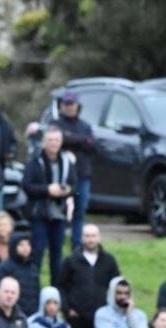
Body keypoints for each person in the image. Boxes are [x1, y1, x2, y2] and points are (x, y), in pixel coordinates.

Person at [56, 224, 121, 328]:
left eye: (93, 236)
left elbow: (117, 285)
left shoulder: (108, 260)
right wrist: (67, 309)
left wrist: (111, 309)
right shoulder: (71, 260)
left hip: (100, 316)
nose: (90, 239)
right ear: (81, 238)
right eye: (87, 236)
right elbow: (60, 286)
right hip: (76, 316)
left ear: (99, 238)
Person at [22, 126, 77, 282]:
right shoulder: (35, 160)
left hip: (59, 214)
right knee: (37, 252)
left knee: (57, 254)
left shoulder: (67, 161)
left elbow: (76, 188)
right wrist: (46, 190)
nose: (54, 143)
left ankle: (55, 292)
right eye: (51, 140)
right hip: (39, 213)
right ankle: (33, 289)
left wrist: (68, 190)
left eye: (57, 140)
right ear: (44, 142)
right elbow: (26, 185)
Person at [53, 91, 95, 252]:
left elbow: (92, 146)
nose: (69, 107)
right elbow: (61, 139)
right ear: (61, 106)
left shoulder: (85, 125)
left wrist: (72, 139)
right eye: (66, 104)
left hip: (82, 176)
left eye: (72, 104)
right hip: (62, 177)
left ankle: (77, 245)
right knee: (61, 210)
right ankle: (58, 241)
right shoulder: (56, 123)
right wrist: (80, 140)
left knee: (79, 210)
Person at [0, 232, 41, 317]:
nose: (25, 248)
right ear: (13, 247)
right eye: (21, 245)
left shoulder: (33, 269)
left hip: (32, 315)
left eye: (28, 245)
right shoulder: (3, 268)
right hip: (10, 315)